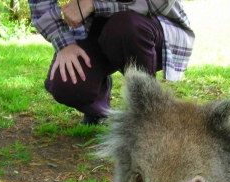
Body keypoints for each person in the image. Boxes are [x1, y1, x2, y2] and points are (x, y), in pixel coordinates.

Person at [28, 0, 194, 124]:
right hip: (92, 26)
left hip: (149, 24)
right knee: (66, 84)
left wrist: (94, 3)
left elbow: (160, 3)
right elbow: (41, 4)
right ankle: (100, 104)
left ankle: (147, 115)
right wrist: (64, 44)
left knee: (124, 27)